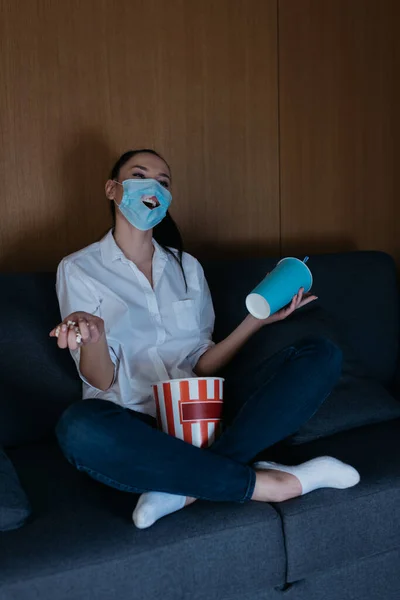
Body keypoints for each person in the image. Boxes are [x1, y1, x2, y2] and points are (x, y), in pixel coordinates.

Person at [51, 149, 360, 529]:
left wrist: (256, 321)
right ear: (113, 189)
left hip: (205, 413)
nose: (154, 187)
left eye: (163, 182)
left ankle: (183, 487)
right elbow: (100, 381)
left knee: (320, 353)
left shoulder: (188, 267)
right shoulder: (79, 268)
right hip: (135, 426)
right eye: (139, 175)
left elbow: (202, 361)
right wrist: (94, 337)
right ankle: (270, 483)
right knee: (78, 426)